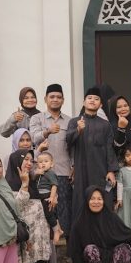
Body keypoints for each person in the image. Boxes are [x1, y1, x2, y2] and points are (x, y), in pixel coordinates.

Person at [6, 150, 51, 263]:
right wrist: (24, 185)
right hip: (25, 234)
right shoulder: (9, 184)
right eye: (25, 159)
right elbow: (15, 207)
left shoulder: (32, 181)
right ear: (16, 162)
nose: (29, 163)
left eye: (31, 160)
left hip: (39, 233)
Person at [66, 87, 119, 222]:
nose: (92, 101)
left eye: (96, 99)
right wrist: (78, 130)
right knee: (81, 201)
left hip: (100, 170)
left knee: (101, 200)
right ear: (84, 102)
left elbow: (109, 148)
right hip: (81, 169)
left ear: (100, 105)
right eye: (89, 98)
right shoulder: (74, 121)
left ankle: (102, 232)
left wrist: (111, 170)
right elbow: (68, 142)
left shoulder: (105, 125)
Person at [30, 84, 73, 236]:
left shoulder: (69, 121)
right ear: (45, 99)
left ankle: (64, 248)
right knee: (45, 211)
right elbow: (33, 138)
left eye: (59, 97)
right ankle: (47, 247)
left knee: (64, 211)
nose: (55, 99)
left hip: (63, 172)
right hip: (42, 174)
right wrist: (47, 131)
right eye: (52, 97)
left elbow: (73, 146)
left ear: (63, 100)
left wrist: (73, 166)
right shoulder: (37, 118)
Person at [35, 152, 60, 238]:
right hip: (39, 196)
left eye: (46, 161)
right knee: (48, 214)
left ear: (51, 164)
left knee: (49, 214)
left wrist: (52, 197)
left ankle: (56, 230)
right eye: (40, 162)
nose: (43, 163)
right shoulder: (39, 174)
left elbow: (54, 185)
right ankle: (58, 229)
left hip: (47, 195)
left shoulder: (50, 173)